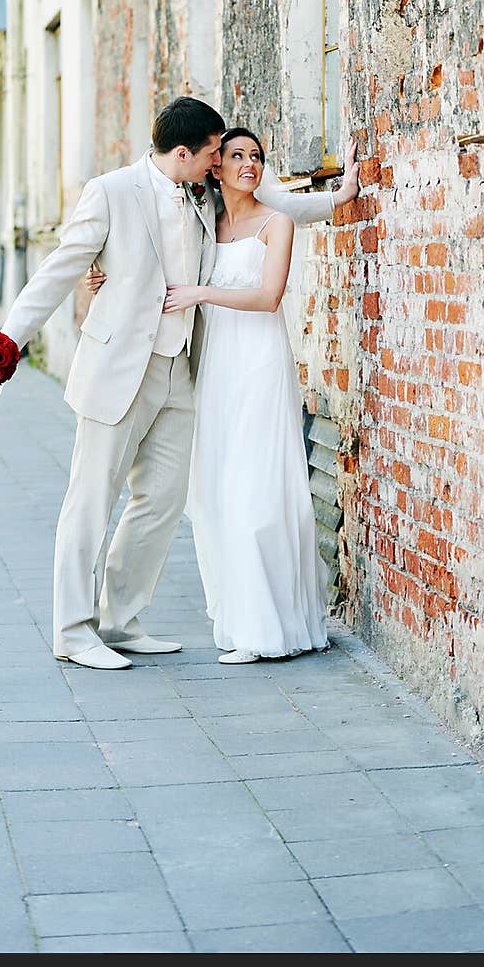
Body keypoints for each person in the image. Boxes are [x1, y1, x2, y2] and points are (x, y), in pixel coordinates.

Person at [0, 95, 357, 671]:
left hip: (182, 371)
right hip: (117, 372)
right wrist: (9, 338)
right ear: (186, 153)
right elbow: (61, 266)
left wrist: (335, 199)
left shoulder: (203, 196)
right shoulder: (111, 191)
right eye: (215, 153)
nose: (221, 164)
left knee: (161, 503)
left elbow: (273, 204)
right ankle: (74, 630)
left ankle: (120, 619)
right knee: (91, 501)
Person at [163, 128, 329, 663]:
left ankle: (269, 629)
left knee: (255, 489)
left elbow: (268, 296)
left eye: (256, 156)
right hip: (217, 367)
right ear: (216, 167)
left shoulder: (276, 223)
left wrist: (201, 292)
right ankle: (240, 618)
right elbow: (163, 267)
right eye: (236, 156)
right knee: (215, 489)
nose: (249, 164)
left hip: (259, 365)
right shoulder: (205, 225)